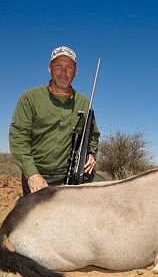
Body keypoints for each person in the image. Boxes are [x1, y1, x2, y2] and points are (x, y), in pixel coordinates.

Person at [9, 45, 102, 195]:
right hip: (38, 176)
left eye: (69, 68)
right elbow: (19, 138)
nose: (63, 72)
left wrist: (91, 154)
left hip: (70, 175)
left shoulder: (85, 103)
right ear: (49, 68)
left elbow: (93, 135)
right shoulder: (30, 98)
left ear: (75, 72)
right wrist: (32, 174)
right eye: (58, 66)